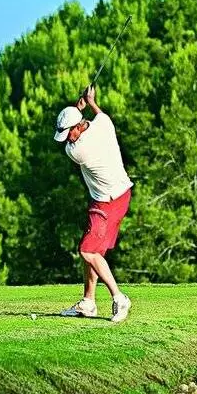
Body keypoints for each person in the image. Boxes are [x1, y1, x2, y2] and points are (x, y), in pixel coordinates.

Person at [53, 85, 133, 323]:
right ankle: (88, 302)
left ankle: (119, 298)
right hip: (122, 195)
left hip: (106, 203)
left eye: (69, 133)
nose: (67, 139)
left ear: (78, 127)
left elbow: (70, 148)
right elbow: (99, 114)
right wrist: (91, 102)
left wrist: (78, 107)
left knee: (87, 251)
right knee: (94, 252)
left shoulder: (78, 150)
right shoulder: (104, 123)